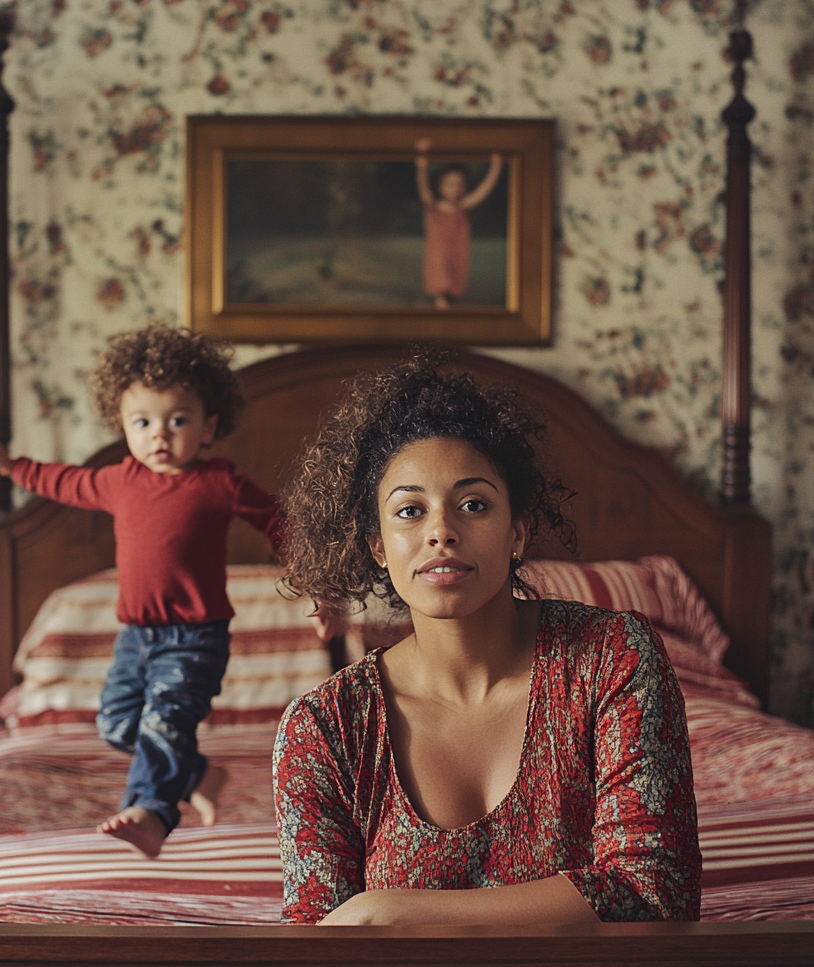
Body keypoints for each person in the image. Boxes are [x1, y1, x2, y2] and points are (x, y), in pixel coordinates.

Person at [274, 352, 701, 925]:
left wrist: (395, 910)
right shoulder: (325, 728)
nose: (441, 532)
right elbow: (319, 953)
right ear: (377, 546)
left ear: (518, 531)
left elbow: (656, 892)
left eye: (473, 504)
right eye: (409, 511)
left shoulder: (613, 658)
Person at [0, 324, 334, 859]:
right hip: (136, 637)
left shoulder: (219, 483)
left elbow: (282, 526)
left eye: (178, 420)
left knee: (164, 719)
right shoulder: (118, 480)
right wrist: (10, 467)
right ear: (123, 427)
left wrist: (318, 587)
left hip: (195, 637)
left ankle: (151, 812)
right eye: (142, 422)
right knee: (119, 726)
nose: (159, 435)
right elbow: (62, 481)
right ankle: (201, 775)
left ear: (209, 427)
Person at [415, 138, 503, 309]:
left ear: (464, 188)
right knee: (440, 278)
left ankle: (447, 304)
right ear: (440, 187)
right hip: (438, 254)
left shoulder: (463, 206)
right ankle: (441, 301)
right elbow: (423, 185)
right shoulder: (433, 205)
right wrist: (422, 161)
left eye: (459, 184)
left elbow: (484, 189)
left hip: (457, 252)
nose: (454, 188)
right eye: (449, 184)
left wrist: (496, 165)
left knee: (455, 282)